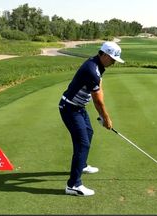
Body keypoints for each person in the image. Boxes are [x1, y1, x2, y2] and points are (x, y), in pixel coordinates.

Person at [59, 41, 124, 196]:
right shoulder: (91, 69)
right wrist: (105, 117)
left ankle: (81, 165)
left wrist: (103, 114)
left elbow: (99, 88)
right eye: (113, 59)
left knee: (88, 133)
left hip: (79, 108)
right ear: (105, 55)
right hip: (69, 108)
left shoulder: (99, 65)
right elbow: (97, 100)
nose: (114, 62)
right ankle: (73, 185)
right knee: (83, 143)